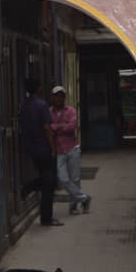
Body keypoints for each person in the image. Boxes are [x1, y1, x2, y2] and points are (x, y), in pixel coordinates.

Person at [19, 77, 61, 227]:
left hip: (30, 147)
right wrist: (53, 148)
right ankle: (46, 218)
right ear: (38, 89)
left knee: (47, 179)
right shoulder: (42, 105)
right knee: (49, 183)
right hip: (43, 147)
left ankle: (29, 187)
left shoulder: (23, 106)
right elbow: (47, 128)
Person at [50, 84, 90, 215]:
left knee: (75, 178)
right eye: (57, 96)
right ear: (53, 98)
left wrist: (57, 128)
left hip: (72, 148)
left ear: (64, 97)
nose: (59, 99)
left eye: (61, 96)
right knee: (63, 178)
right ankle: (84, 198)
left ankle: (73, 206)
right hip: (60, 150)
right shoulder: (49, 112)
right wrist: (61, 126)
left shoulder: (71, 110)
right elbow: (50, 127)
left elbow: (72, 126)